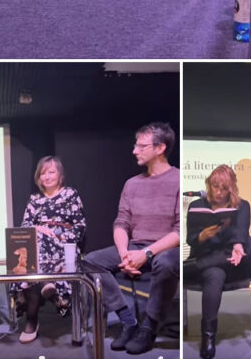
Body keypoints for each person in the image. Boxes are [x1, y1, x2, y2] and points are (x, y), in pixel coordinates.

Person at [83, 122, 180, 355]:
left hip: (165, 249)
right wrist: (125, 253)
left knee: (165, 262)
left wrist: (145, 254)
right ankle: (128, 321)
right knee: (91, 261)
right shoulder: (132, 184)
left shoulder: (179, 180)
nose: (134, 151)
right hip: (134, 246)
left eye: (141, 146)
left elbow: (179, 231)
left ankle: (149, 327)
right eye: (135, 145)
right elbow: (121, 223)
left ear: (160, 148)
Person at [183, 164, 251, 359]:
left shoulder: (242, 206)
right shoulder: (196, 206)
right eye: (215, 186)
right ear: (209, 184)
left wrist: (238, 246)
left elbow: (241, 231)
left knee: (220, 262)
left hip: (233, 261)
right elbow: (190, 239)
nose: (218, 192)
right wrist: (202, 236)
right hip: (207, 261)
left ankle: (188, 268)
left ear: (231, 189)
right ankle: (208, 336)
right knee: (214, 274)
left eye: (223, 189)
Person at [12, 156, 87, 343]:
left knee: (33, 257)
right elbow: (25, 227)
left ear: (60, 175)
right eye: (42, 173)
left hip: (64, 248)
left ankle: (32, 319)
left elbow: (80, 227)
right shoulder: (34, 199)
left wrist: (56, 236)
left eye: (51, 172)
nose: (46, 176)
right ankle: (49, 289)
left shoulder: (70, 195)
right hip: (38, 249)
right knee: (31, 243)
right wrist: (39, 229)